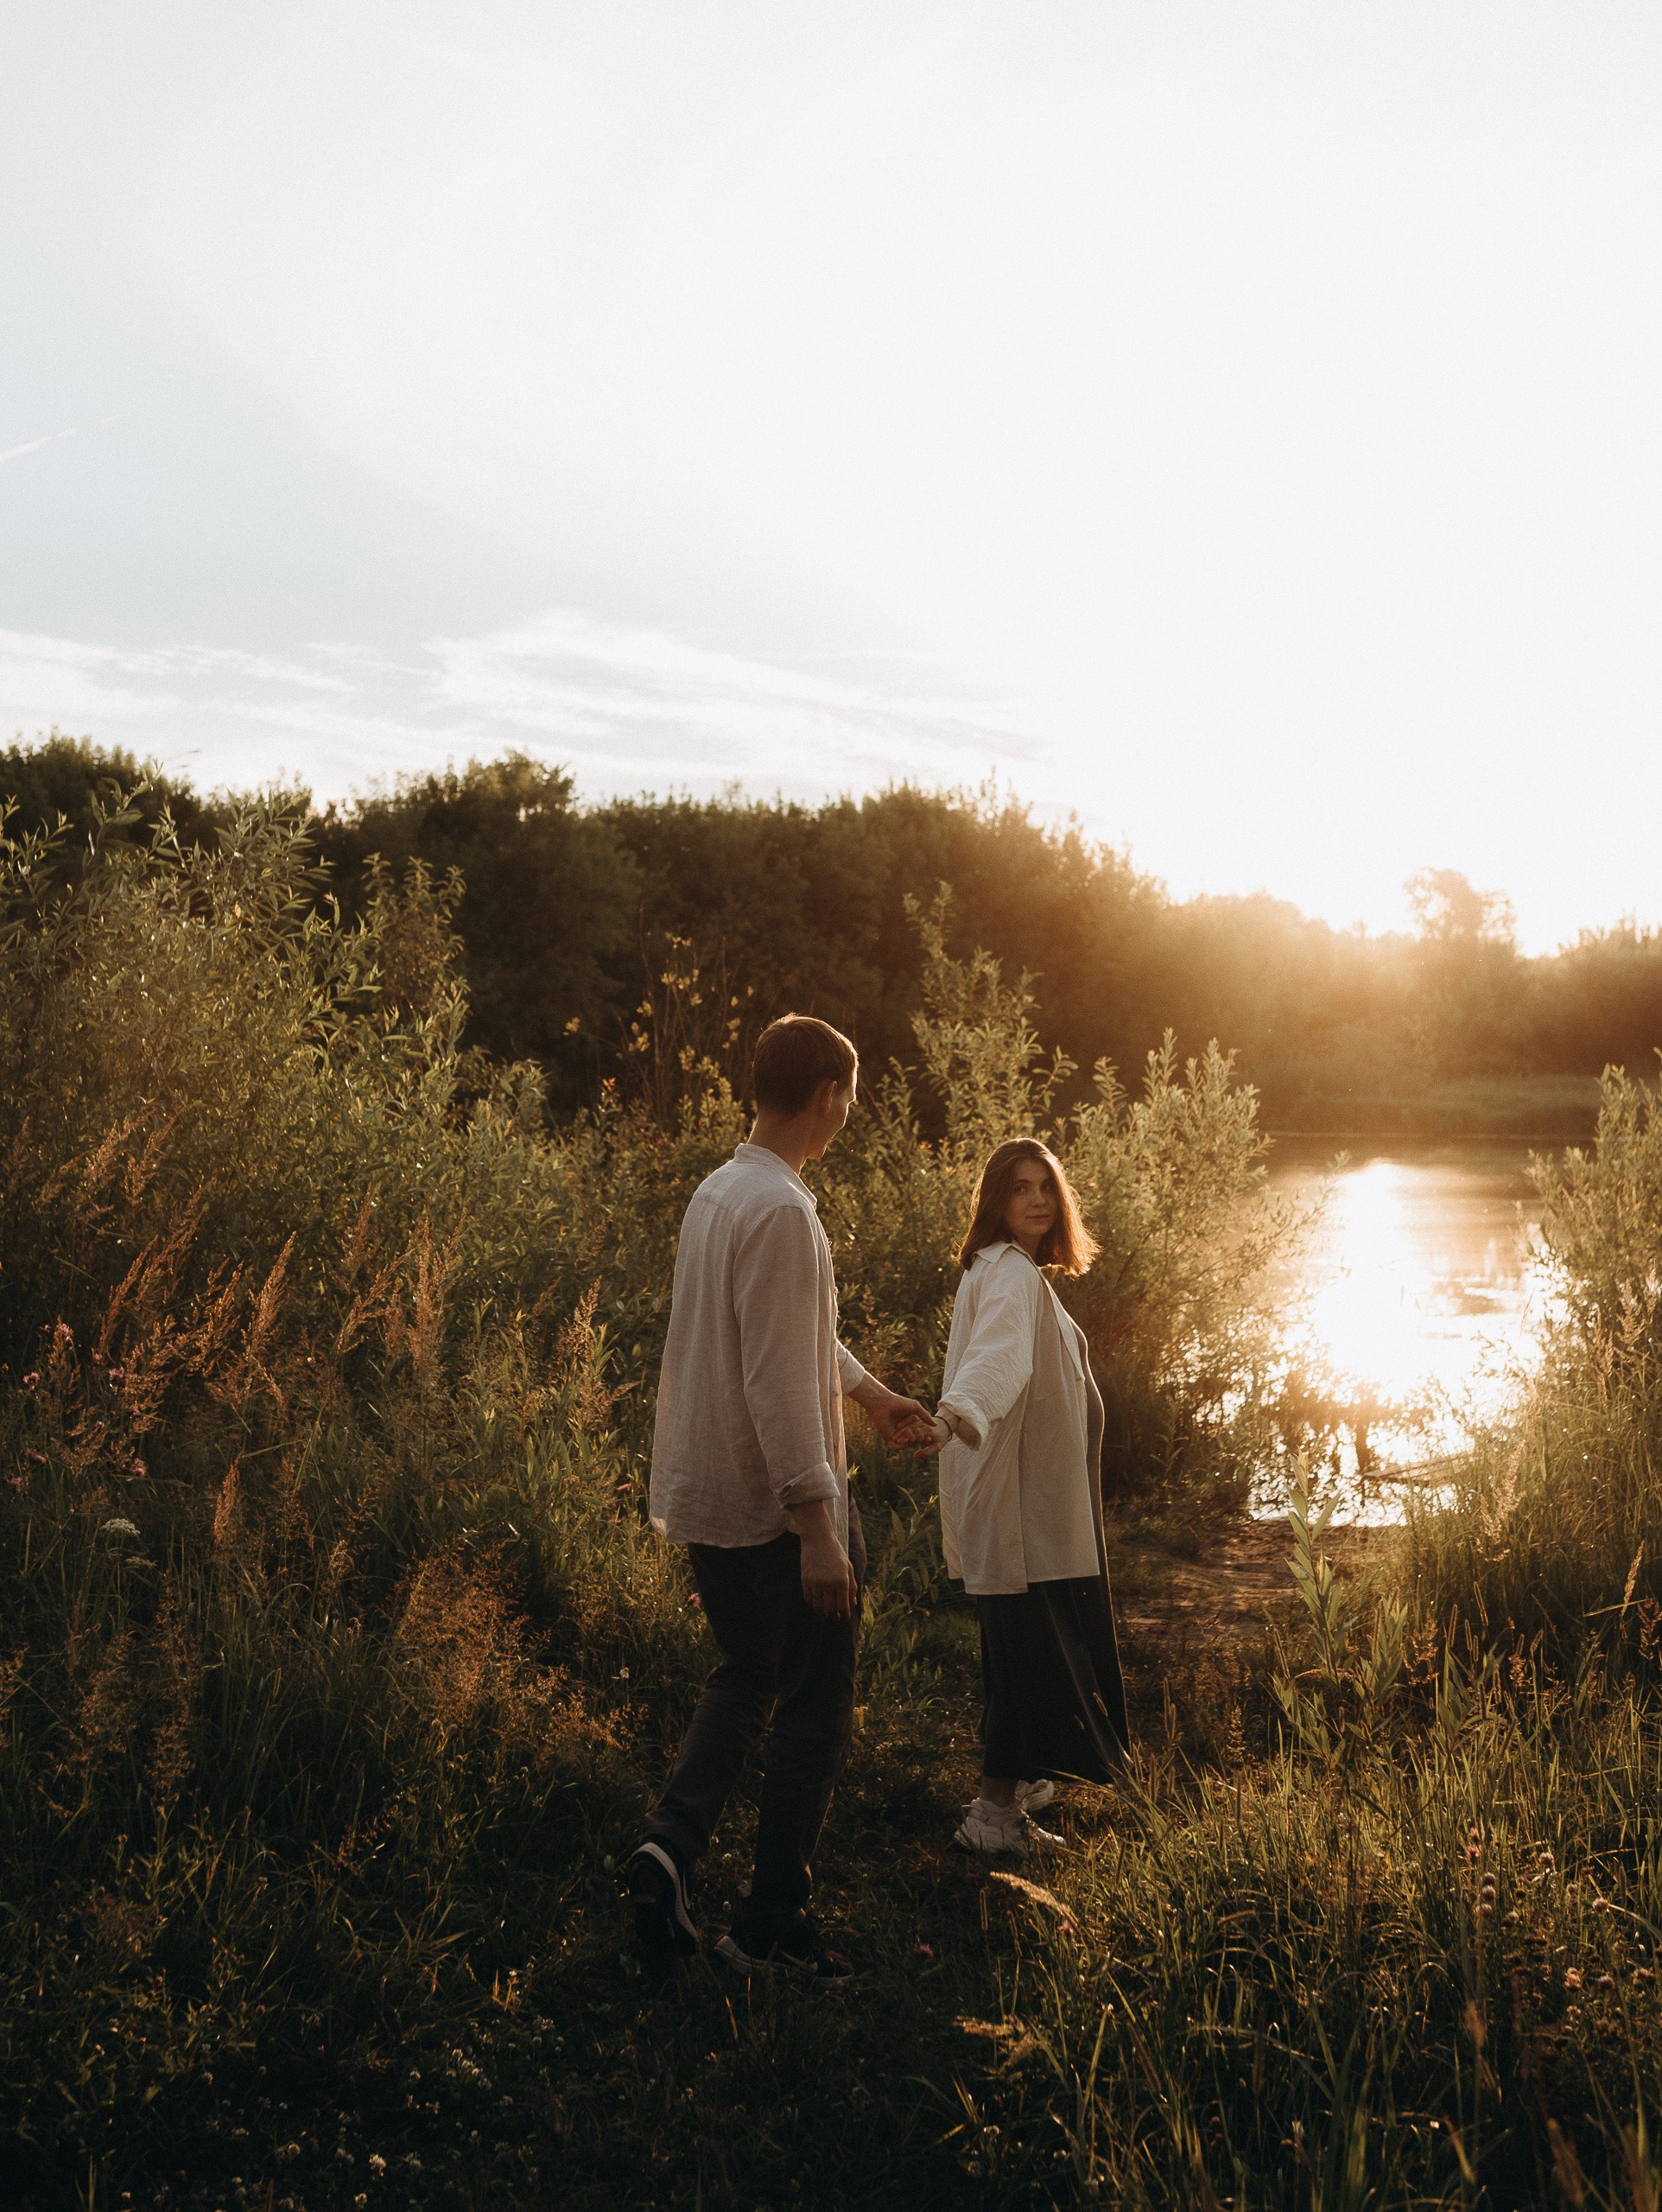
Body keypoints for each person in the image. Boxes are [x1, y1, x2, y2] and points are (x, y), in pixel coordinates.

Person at [627, 1014, 933, 1981]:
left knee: (745, 1675)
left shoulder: (723, 1192)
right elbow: (771, 1377)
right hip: (772, 1509)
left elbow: (786, 1335)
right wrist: (817, 1529)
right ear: (830, 1095)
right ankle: (768, 1930)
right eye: (852, 1096)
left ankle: (669, 1846)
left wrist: (872, 1393)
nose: (850, 1113)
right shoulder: (785, 1212)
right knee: (814, 1710)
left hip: (707, 1493)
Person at [917, 1137, 1130, 1859]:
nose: (1038, 1199)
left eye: (1047, 1187)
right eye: (1020, 1188)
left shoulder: (1007, 1271)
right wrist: (956, 1416)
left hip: (1029, 1507)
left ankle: (1026, 1784)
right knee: (1027, 1660)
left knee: (1023, 1653)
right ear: (996, 1201)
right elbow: (996, 1360)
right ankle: (992, 1816)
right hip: (1020, 1513)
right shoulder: (1009, 1276)